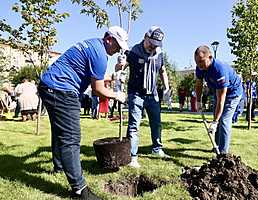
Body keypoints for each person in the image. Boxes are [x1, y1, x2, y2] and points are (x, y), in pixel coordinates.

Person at [38, 26, 128, 200]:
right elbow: (97, 89)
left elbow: (93, 75)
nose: (118, 50)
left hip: (49, 85)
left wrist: (114, 76)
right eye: (117, 46)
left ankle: (60, 167)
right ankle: (79, 190)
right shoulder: (100, 55)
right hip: (61, 89)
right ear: (109, 39)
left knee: (60, 132)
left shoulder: (93, 45)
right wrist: (117, 95)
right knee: (71, 137)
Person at [122, 26, 170, 168]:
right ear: (145, 37)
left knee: (156, 124)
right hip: (136, 94)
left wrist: (166, 88)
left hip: (153, 95)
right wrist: (119, 65)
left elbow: (162, 70)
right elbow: (120, 68)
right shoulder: (133, 51)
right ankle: (132, 157)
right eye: (152, 43)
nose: (153, 47)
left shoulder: (159, 53)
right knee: (134, 126)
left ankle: (157, 149)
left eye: (157, 44)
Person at [194, 45, 242, 154]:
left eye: (201, 62)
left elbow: (222, 98)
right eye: (197, 62)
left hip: (232, 93)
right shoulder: (200, 67)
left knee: (223, 120)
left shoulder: (220, 69)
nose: (199, 65)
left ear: (210, 57)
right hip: (218, 91)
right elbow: (198, 84)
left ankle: (223, 153)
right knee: (217, 116)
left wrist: (215, 122)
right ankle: (216, 146)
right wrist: (198, 101)